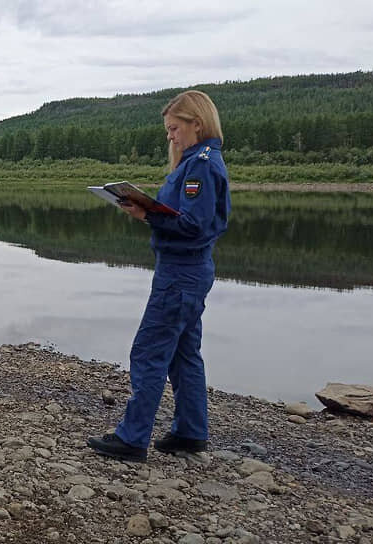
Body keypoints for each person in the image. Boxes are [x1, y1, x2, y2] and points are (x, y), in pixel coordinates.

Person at [87, 90, 231, 462]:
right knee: (184, 353)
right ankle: (190, 432)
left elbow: (193, 226)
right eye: (168, 130)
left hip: (181, 273)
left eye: (174, 128)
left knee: (149, 351)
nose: (170, 136)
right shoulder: (198, 162)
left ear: (196, 124)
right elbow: (189, 220)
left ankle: (132, 438)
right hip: (189, 271)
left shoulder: (200, 165)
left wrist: (148, 215)